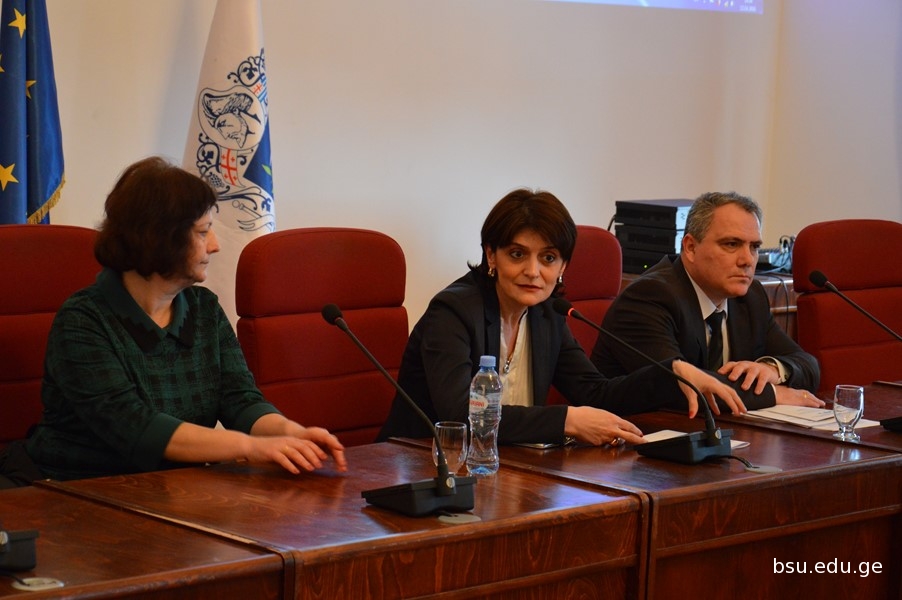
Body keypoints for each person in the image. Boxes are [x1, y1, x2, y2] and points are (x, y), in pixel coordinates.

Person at [19, 156, 347, 482]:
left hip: (172, 488)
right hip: (76, 488)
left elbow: (239, 399)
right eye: (203, 232)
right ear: (159, 238)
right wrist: (251, 447)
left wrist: (289, 432)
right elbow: (136, 428)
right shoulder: (83, 320)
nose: (215, 246)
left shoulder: (204, 308)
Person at [377, 189, 751, 448]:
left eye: (548, 258)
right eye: (517, 254)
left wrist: (672, 372)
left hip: (506, 466)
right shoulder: (454, 312)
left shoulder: (546, 315)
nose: (533, 271)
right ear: (491, 256)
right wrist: (567, 421)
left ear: (563, 266)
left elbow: (596, 393)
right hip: (422, 466)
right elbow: (460, 414)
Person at [591, 191, 824, 410]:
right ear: (691, 247)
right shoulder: (649, 297)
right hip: (641, 433)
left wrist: (772, 369)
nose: (747, 260)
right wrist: (772, 394)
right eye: (731, 244)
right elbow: (680, 385)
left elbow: (808, 365)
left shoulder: (750, 297)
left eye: (754, 247)